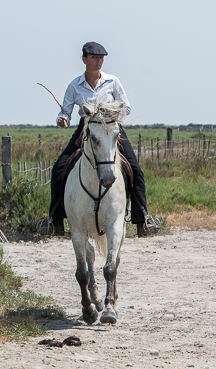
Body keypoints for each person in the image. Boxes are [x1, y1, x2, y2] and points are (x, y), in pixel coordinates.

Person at [49, 41, 152, 237]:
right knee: (59, 168)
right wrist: (62, 120)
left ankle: (143, 219)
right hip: (86, 128)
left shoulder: (112, 81)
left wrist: (110, 111)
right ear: (84, 59)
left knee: (135, 169)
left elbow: (127, 107)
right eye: (95, 58)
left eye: (101, 58)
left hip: (112, 128)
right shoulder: (74, 85)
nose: (99, 61)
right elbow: (66, 112)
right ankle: (55, 220)